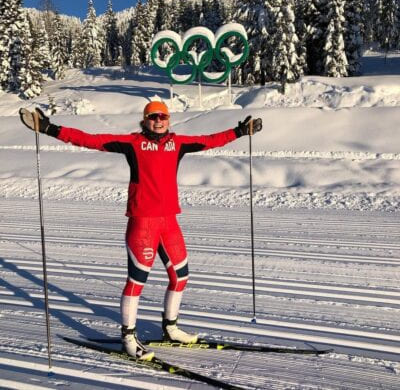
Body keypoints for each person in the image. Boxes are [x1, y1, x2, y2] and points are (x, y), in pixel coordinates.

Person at [20, 101, 262, 361]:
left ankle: (170, 328)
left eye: (163, 116)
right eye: (153, 116)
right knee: (136, 282)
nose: (159, 121)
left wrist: (240, 132)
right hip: (142, 222)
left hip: (169, 221)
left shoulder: (177, 143)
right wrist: (48, 128)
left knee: (181, 277)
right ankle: (128, 336)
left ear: (169, 119)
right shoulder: (133, 143)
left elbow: (210, 140)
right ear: (145, 120)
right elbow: (90, 139)